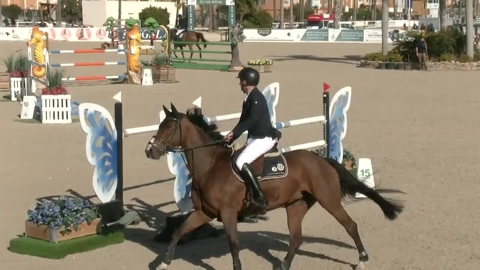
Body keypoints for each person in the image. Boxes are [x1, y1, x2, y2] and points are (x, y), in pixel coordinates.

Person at [224, 67, 279, 209]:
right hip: (254, 137)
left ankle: (258, 196)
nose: (239, 84)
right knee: (236, 157)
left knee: (241, 161)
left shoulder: (256, 98)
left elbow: (251, 120)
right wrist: (232, 135)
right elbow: (243, 120)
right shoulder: (248, 97)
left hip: (263, 138)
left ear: (244, 81)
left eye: (240, 81)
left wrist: (235, 131)